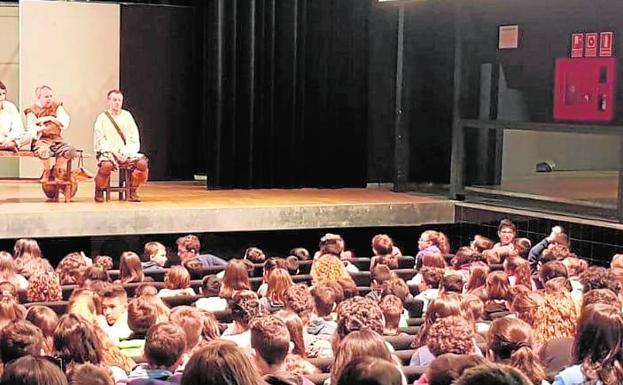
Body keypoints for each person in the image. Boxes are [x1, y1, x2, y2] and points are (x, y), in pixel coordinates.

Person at [93, 89, 148, 202]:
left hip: (126, 153)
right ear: (109, 101)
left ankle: (133, 190)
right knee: (106, 165)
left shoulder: (127, 116)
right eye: (114, 100)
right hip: (109, 152)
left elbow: (133, 138)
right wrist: (114, 153)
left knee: (142, 164)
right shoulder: (102, 118)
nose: (117, 103)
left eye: (119, 100)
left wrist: (125, 152)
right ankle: (99, 189)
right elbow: (100, 139)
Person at [24, 85, 75, 182]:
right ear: (39, 97)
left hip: (57, 139)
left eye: (51, 96)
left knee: (70, 149)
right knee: (43, 151)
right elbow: (31, 128)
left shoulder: (57, 107)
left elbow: (64, 122)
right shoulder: (32, 110)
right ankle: (47, 170)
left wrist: (50, 118)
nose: (49, 99)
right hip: (41, 140)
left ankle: (56, 170)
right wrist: (41, 128)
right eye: (46, 97)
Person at [0, 81, 32, 152]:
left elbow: (18, 127)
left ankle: (8, 145)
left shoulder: (10, 106)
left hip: (9, 139)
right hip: (2, 140)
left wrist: (9, 139)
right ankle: (5, 146)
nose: (2, 96)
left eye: (3, 93)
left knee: (28, 135)